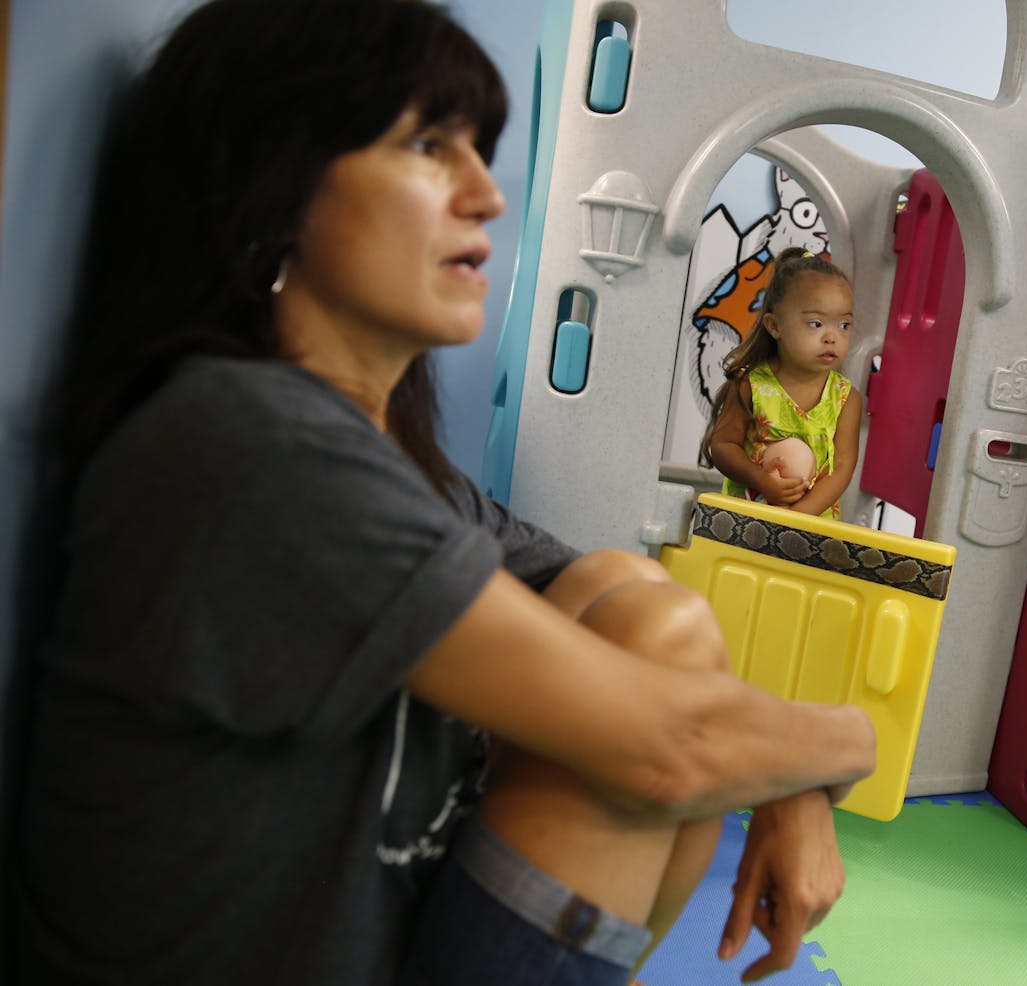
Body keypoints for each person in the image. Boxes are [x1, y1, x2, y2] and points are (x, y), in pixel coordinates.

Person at [14, 2, 876, 985]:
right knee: (661, 687)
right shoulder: (248, 447)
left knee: (656, 617)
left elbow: (617, 599)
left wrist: (785, 776)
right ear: (270, 185)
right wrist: (832, 749)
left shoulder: (381, 459)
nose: (485, 195)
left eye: (478, 150)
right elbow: (667, 749)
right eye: (427, 145)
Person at [700, 248, 864, 520]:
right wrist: (760, 479)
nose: (832, 337)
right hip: (747, 522)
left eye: (844, 325)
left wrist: (798, 518)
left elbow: (842, 468)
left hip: (811, 528)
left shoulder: (846, 398)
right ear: (775, 326)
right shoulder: (750, 384)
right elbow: (723, 446)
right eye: (816, 323)